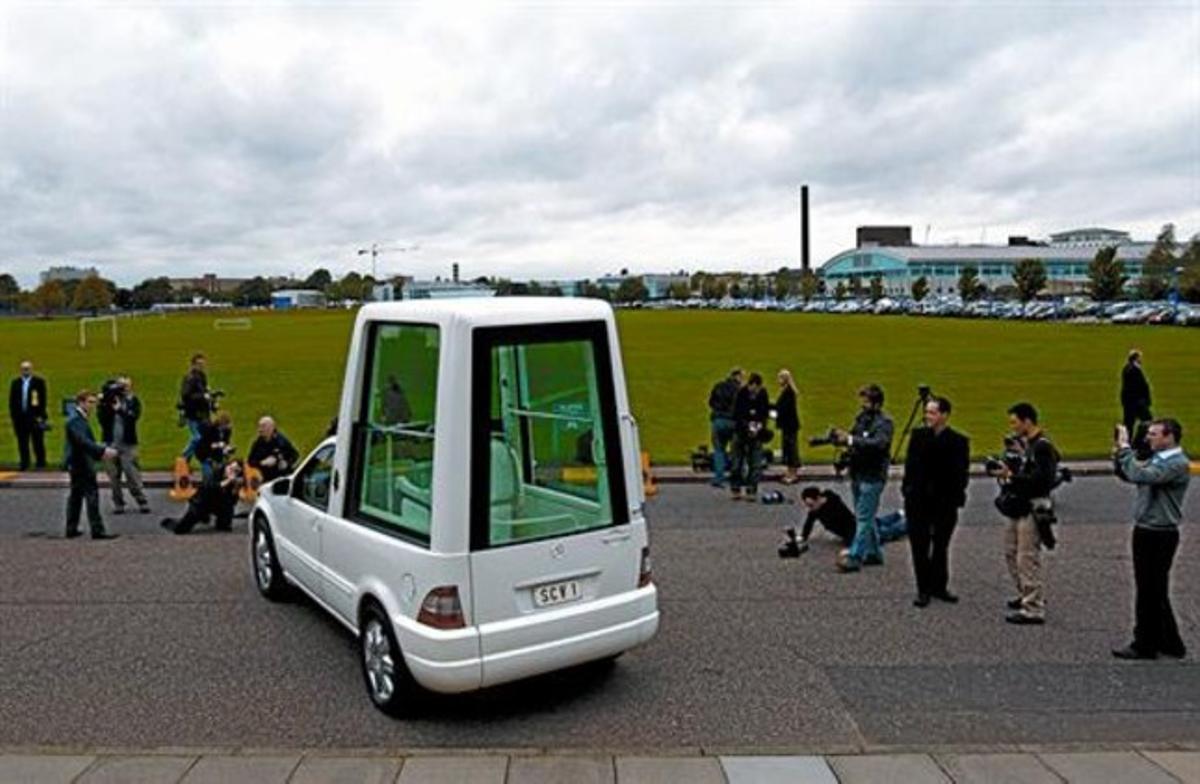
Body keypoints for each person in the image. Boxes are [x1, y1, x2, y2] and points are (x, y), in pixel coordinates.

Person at [1111, 419, 1190, 660]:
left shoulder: (1176, 464)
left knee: (1148, 590)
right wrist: (1120, 457)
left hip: (1158, 533)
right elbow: (1131, 474)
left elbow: (1141, 474)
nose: (1148, 438)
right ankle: (1170, 641)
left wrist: (1125, 448)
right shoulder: (1161, 459)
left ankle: (1144, 643)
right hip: (1149, 528)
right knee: (1156, 589)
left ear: (1169, 437)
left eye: (1154, 434)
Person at [988, 402, 1060, 625]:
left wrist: (1011, 475)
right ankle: (1026, 594)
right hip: (1020, 505)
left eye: (1014, 422)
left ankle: (1033, 608)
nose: (1012, 427)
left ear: (1027, 421)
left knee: (1027, 557)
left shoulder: (1042, 447)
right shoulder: (1028, 445)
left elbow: (1043, 481)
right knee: (1011, 552)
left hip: (1033, 506)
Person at [902, 396, 970, 608]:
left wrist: (956, 497)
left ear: (944, 415)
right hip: (919, 501)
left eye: (932, 413)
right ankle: (923, 589)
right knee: (919, 547)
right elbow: (910, 467)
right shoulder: (918, 436)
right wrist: (908, 491)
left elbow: (961, 473)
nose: (927, 416)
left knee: (941, 546)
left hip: (944, 501)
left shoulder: (958, 441)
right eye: (927, 412)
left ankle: (939, 586)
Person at [831, 384, 894, 572]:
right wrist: (840, 439)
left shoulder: (885, 423)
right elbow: (854, 437)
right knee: (864, 516)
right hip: (858, 472)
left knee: (864, 517)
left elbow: (879, 444)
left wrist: (850, 440)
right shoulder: (861, 419)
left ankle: (855, 556)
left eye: (866, 402)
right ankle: (874, 553)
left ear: (876, 403)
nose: (862, 406)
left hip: (873, 475)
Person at [780, 486, 906, 557]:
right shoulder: (816, 511)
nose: (810, 508)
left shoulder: (835, 505)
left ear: (818, 498)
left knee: (885, 533)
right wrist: (802, 536)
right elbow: (809, 523)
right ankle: (899, 514)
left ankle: (908, 525)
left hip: (855, 529)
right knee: (877, 522)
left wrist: (853, 547)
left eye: (811, 504)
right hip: (855, 526)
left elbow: (849, 527)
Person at [63, 390, 119, 540]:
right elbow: (83, 442)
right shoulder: (76, 420)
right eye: (90, 402)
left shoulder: (77, 418)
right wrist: (102, 450)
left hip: (76, 462)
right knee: (91, 495)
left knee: (76, 496)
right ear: (81, 402)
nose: (93, 406)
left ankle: (71, 528)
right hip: (81, 463)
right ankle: (97, 530)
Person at [97, 376, 150, 515]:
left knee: (131, 473)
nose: (123, 389)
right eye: (120, 386)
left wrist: (120, 409)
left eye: (125, 386)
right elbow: (101, 419)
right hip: (110, 443)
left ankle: (141, 500)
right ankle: (118, 503)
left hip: (128, 443)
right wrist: (107, 402)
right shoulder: (106, 402)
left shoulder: (133, 401)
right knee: (113, 477)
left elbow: (133, 418)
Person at [161, 459, 244, 534]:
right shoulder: (216, 472)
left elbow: (232, 502)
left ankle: (218, 521)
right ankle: (169, 522)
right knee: (181, 529)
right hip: (201, 502)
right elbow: (211, 487)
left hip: (219, 504)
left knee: (225, 526)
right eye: (231, 469)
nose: (232, 472)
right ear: (227, 466)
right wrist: (227, 481)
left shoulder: (235, 482)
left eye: (236, 471)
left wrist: (235, 491)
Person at [729, 372, 769, 501]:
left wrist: (758, 427)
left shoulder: (763, 394)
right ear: (750, 385)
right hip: (740, 432)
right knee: (737, 463)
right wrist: (747, 426)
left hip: (756, 434)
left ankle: (752, 489)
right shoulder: (741, 394)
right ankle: (735, 488)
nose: (756, 392)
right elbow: (736, 414)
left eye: (758, 389)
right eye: (754, 388)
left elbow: (764, 413)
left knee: (755, 463)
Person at [8, 359, 49, 470]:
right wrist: (14, 416)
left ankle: (41, 463)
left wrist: (41, 416)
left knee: (38, 442)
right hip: (20, 418)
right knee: (22, 442)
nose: (25, 371)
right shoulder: (15, 383)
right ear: (20, 370)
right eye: (24, 369)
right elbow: (12, 401)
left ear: (31, 369)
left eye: (27, 369)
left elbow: (43, 400)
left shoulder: (38, 382)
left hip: (35, 417)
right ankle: (24, 463)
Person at [707, 368, 742, 487]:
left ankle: (719, 478)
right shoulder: (740, 390)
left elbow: (711, 402)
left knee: (719, 450)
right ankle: (736, 476)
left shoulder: (718, 386)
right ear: (737, 377)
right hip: (733, 422)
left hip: (718, 421)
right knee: (736, 451)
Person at [179, 353, 212, 462]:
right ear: (193, 365)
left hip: (202, 412)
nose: (201, 366)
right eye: (199, 364)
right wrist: (202, 396)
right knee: (197, 437)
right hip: (192, 413)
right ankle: (183, 457)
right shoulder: (190, 378)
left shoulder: (202, 376)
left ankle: (187, 459)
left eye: (203, 364)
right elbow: (185, 395)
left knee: (204, 437)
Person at [247, 416, 300, 483]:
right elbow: (250, 462)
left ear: (272, 427)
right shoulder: (257, 443)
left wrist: (286, 463)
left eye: (263, 426)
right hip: (264, 479)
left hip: (281, 478)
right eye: (259, 426)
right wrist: (262, 463)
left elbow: (295, 455)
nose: (260, 429)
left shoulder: (281, 441)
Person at [1120, 350, 1153, 453]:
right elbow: (1137, 386)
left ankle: (1129, 443)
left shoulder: (1128, 368)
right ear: (1136, 358)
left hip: (1131, 401)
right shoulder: (1132, 370)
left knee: (1129, 423)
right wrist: (1143, 400)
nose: (1141, 359)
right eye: (1139, 357)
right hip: (1136, 402)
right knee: (1147, 421)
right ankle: (1138, 443)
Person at [774, 369, 801, 484]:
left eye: (780, 378)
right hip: (789, 425)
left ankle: (793, 474)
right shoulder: (788, 391)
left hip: (789, 425)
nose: (778, 380)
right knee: (789, 448)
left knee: (791, 449)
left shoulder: (788, 392)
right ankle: (790, 471)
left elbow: (783, 408)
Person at [195, 411, 235, 484]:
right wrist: (218, 445)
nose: (227, 427)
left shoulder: (227, 431)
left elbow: (226, 442)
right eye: (225, 425)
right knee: (209, 475)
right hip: (205, 454)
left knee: (219, 473)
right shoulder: (211, 429)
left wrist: (227, 448)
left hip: (217, 455)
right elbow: (207, 444)